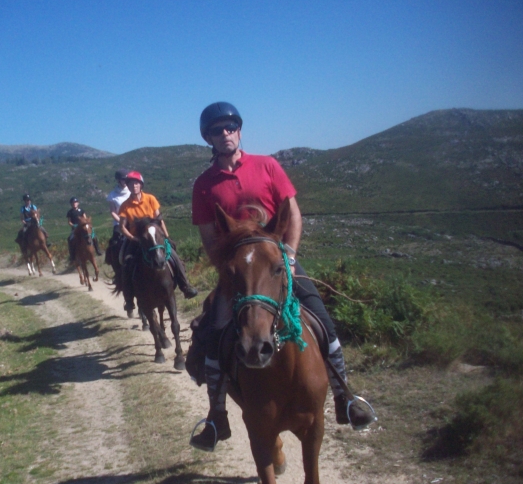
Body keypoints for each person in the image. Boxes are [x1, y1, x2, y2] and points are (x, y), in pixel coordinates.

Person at [188, 101, 376, 451]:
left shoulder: (268, 166)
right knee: (214, 336)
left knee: (323, 321)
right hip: (238, 270)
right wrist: (230, 272)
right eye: (218, 130)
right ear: (208, 138)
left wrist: (288, 257)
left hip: (278, 262)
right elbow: (209, 239)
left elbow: (293, 214)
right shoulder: (204, 185)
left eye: (231, 127)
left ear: (239, 131)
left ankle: (344, 397)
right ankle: (217, 417)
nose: (226, 133)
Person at [117, 170, 198, 317]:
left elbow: (159, 220)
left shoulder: (150, 199)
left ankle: (185, 286)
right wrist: (132, 238)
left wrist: (166, 236)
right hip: (137, 239)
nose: (134, 186)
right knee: (125, 261)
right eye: (130, 184)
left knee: (173, 255)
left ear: (140, 185)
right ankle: (129, 299)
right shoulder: (125, 206)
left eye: (136, 183)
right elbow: (122, 226)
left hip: (155, 237)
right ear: (127, 186)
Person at [67, 196, 102, 262]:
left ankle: (97, 250)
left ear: (78, 203)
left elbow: (85, 218)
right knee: (70, 239)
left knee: (94, 236)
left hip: (83, 227)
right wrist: (73, 225)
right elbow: (69, 222)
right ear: (71, 204)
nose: (74, 204)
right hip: (75, 228)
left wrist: (86, 224)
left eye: (75, 202)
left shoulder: (81, 210)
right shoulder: (70, 212)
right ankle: (72, 255)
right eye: (73, 203)